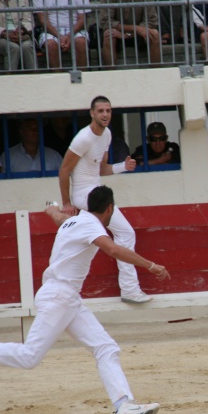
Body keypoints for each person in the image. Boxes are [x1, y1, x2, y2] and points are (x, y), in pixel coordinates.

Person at [0, 186, 170, 414]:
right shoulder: (91, 226)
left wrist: (52, 209)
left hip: (66, 297)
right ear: (109, 208)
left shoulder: (74, 221)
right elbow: (112, 249)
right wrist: (150, 265)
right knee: (29, 356)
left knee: (105, 347)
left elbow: (58, 217)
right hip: (60, 296)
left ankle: (124, 405)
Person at [59, 96, 152, 304]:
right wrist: (66, 203)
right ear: (92, 113)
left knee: (106, 236)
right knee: (125, 232)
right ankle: (129, 289)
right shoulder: (83, 138)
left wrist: (122, 167)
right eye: (100, 111)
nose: (105, 114)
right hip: (84, 194)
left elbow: (101, 169)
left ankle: (129, 289)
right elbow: (64, 170)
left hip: (96, 191)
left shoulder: (107, 135)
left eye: (108, 111)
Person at [99, 0, 160, 68]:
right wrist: (134, 28)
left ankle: (156, 74)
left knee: (154, 34)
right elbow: (105, 21)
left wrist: (129, 34)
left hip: (139, 34)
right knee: (108, 35)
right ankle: (111, 75)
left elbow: (151, 20)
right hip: (118, 32)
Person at [32, 0, 90, 70]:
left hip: (74, 29)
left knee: (81, 42)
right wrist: (60, 36)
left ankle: (82, 78)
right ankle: (58, 78)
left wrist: (69, 35)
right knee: (50, 44)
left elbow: (82, 18)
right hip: (51, 30)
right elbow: (43, 19)